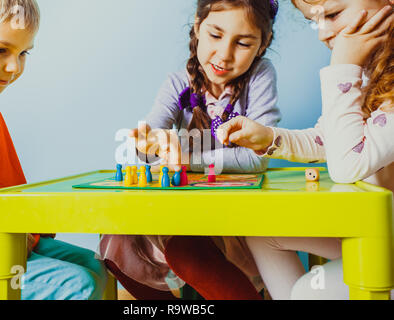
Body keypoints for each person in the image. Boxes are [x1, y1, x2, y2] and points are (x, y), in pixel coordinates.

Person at [99, 0, 281, 300]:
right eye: (215, 35)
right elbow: (147, 146)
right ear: (198, 26)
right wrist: (149, 145)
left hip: (236, 215)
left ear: (263, 44)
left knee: (188, 251)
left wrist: (187, 159)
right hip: (188, 212)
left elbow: (258, 157)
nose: (224, 54)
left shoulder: (260, 77)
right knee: (117, 238)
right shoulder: (176, 84)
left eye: (243, 43)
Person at [217, 0, 393, 299]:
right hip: (378, 232)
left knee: (306, 293)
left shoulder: (350, 72)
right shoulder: (368, 72)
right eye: (315, 20)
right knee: (263, 234)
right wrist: (269, 137)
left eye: (334, 14)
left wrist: (341, 67)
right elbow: (333, 139)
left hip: (386, 242)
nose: (323, 33)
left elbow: (348, 163)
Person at [0, 0, 106, 300]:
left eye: (23, 53)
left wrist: (30, 225)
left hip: (4, 241)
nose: (14, 67)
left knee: (99, 269)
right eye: (0, 50)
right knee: (79, 285)